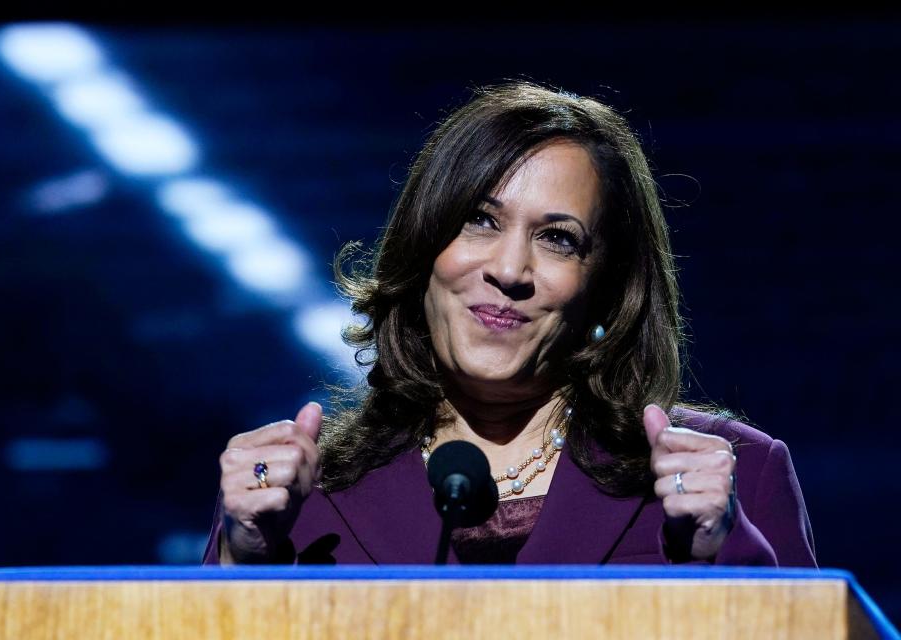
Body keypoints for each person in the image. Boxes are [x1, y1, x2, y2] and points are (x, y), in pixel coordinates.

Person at [201, 81, 817, 566]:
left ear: (605, 289)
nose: (511, 269)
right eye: (481, 220)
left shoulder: (731, 479)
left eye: (557, 239)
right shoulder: (299, 494)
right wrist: (242, 558)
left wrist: (726, 553)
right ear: (423, 251)